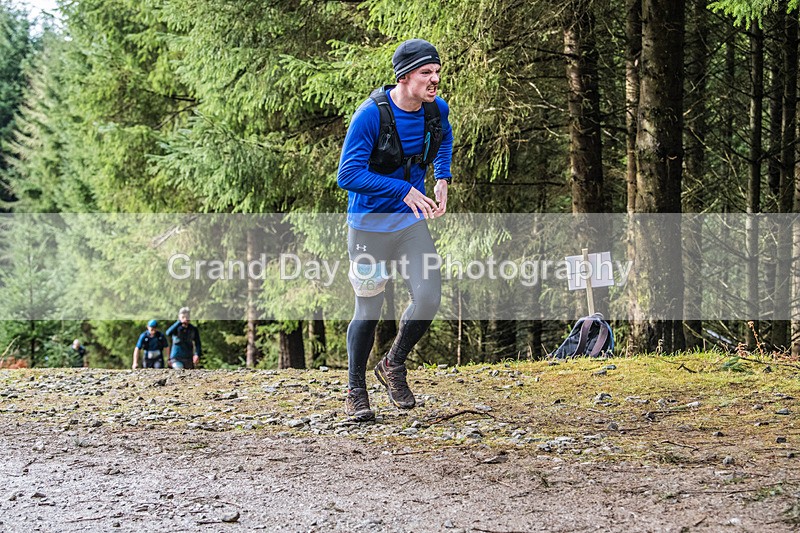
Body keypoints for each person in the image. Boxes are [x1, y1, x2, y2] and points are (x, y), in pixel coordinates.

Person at [337, 39, 453, 422]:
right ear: (404, 77)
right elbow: (348, 176)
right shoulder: (370, 116)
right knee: (368, 310)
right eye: (426, 73)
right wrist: (404, 189)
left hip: (409, 225)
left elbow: (445, 138)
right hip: (368, 227)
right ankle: (356, 388)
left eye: (436, 71)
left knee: (429, 297)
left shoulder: (436, 111)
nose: (435, 79)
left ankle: (392, 364)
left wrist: (442, 176)